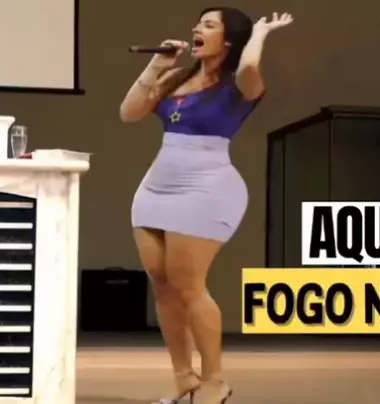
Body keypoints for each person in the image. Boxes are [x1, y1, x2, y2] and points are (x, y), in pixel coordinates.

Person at [119, 7, 293, 404]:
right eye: (198, 23)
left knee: (189, 286)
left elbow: (249, 65)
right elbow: (129, 112)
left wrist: (259, 34)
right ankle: (184, 377)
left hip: (206, 189)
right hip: (156, 189)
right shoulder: (176, 78)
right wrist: (157, 64)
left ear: (228, 40)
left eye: (208, 25)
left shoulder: (241, 84)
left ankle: (215, 381)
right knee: (163, 286)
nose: (196, 29)